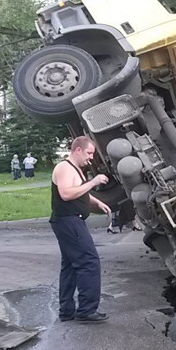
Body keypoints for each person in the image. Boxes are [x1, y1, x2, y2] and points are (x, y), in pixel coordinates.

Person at [50, 136, 112, 323]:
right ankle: (86, 310)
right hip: (69, 222)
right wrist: (94, 182)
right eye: (89, 153)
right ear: (77, 150)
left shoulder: (76, 169)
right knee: (89, 262)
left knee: (70, 266)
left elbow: (79, 191)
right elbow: (66, 193)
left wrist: (97, 202)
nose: (91, 158)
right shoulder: (64, 168)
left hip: (69, 221)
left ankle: (66, 311)